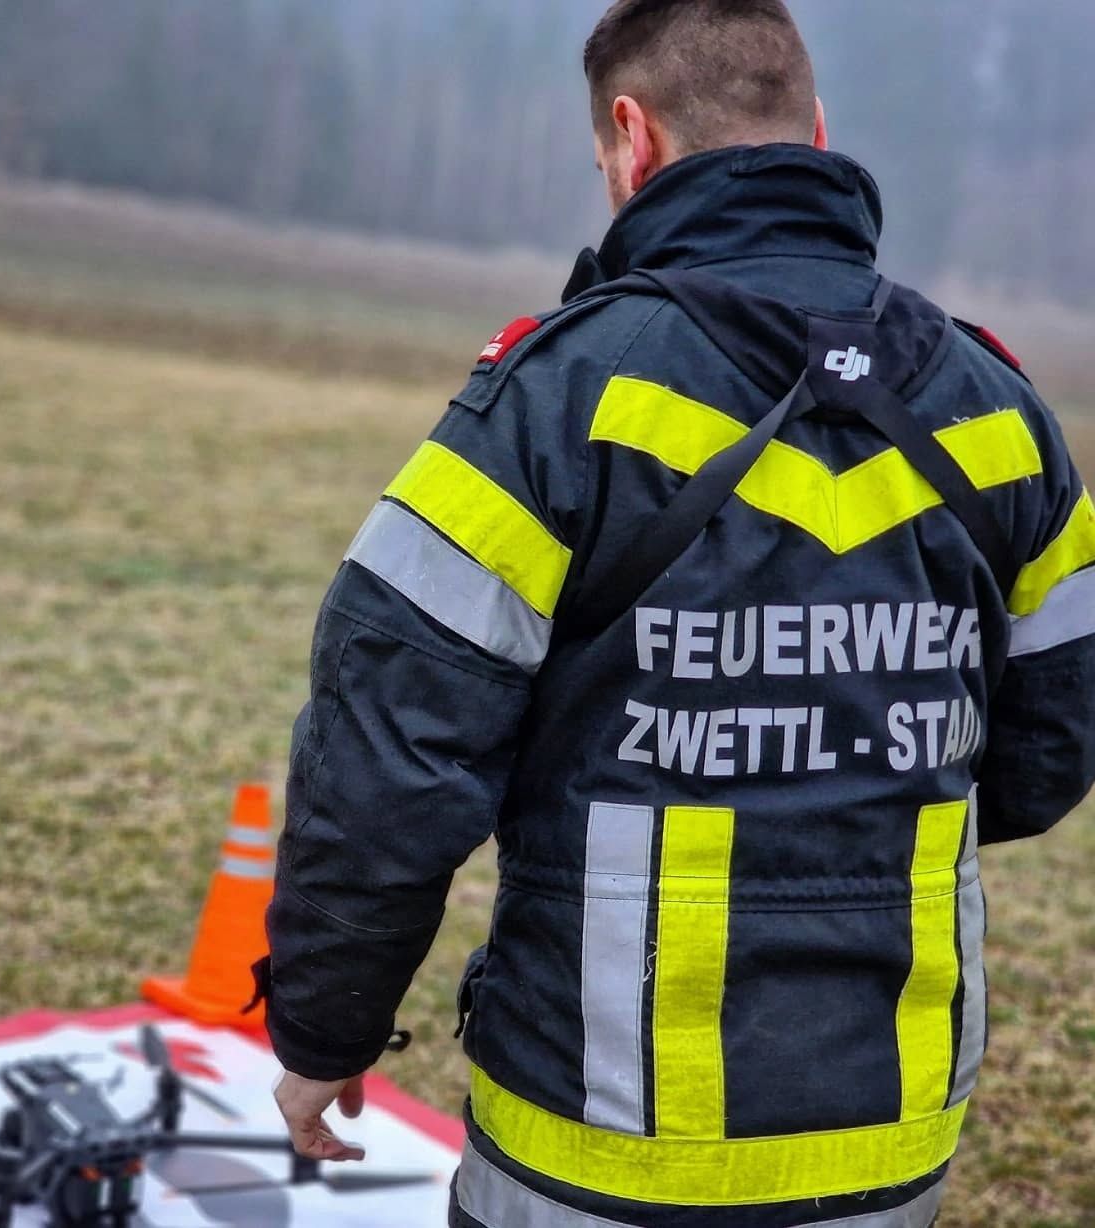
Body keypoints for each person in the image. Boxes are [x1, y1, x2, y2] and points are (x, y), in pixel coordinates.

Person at [258, 1, 1095, 1224]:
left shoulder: (557, 399)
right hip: (887, 1139)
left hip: (590, 1142)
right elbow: (1048, 750)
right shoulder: (1000, 408)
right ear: (814, 129)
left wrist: (324, 1028)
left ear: (632, 139)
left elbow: (386, 755)